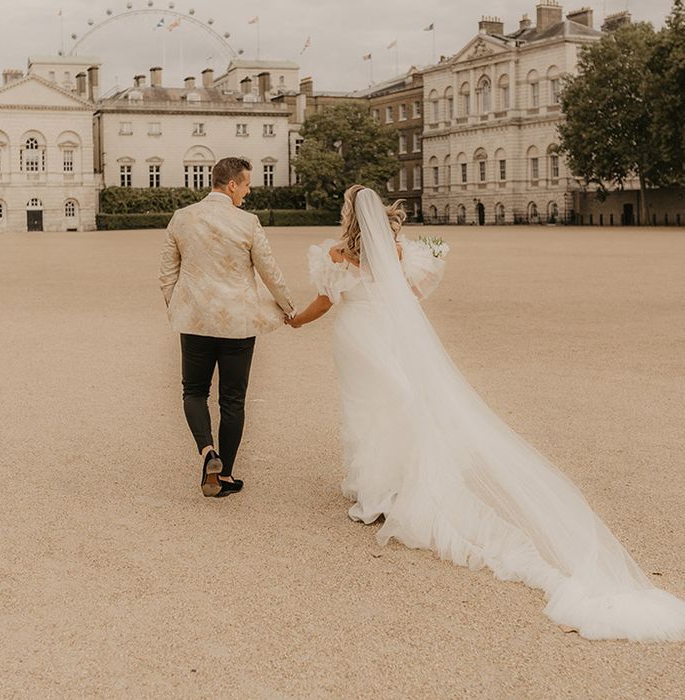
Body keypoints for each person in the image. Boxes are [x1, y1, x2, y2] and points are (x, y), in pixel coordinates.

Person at [286, 184, 685, 641]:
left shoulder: (337, 253)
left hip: (358, 337)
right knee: (392, 405)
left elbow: (324, 302)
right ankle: (384, 485)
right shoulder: (394, 250)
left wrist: (294, 319)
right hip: (387, 335)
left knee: (368, 407)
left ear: (348, 213)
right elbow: (412, 295)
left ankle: (375, 489)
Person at [160, 157, 294, 497]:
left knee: (194, 392)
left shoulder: (182, 217)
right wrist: (288, 306)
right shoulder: (247, 222)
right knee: (233, 400)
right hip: (237, 323)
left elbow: (167, 275)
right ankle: (226, 475)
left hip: (195, 321)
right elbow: (270, 271)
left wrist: (178, 309)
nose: (248, 192)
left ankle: (208, 453)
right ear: (232, 184)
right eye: (246, 185)